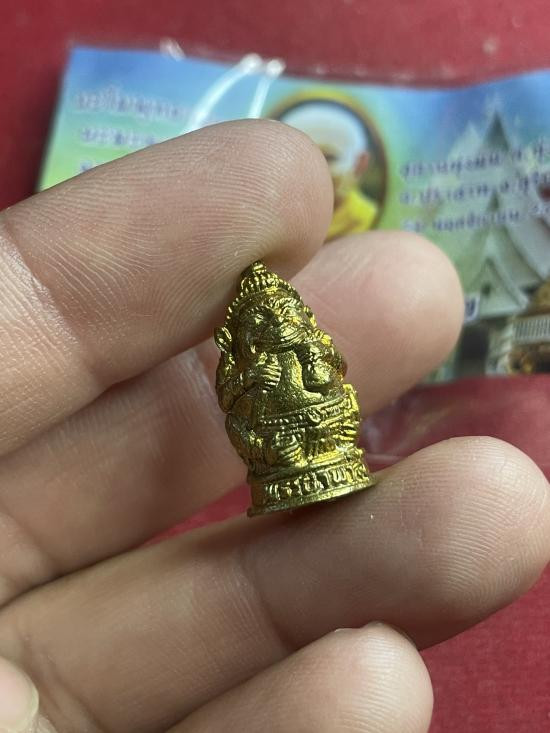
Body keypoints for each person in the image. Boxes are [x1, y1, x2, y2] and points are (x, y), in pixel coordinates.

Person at [0, 120, 547, 733]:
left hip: (311, 422)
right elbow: (238, 394)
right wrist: (256, 380)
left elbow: (326, 373)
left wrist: (302, 377)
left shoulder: (299, 344)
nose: (277, 329)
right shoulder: (248, 360)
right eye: (266, 326)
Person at [278, 100, 380, 240]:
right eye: (299, 159)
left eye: (329, 158)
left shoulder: (369, 220)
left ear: (359, 165)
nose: (314, 172)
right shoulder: (274, 219)